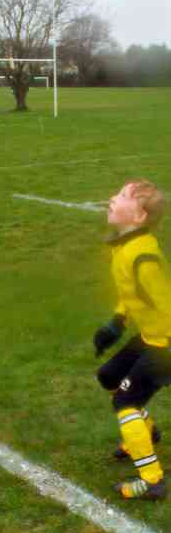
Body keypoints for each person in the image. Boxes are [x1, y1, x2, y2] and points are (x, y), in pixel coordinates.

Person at [94, 179, 171, 501]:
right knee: (109, 375)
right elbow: (131, 293)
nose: (112, 197)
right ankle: (146, 431)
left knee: (124, 402)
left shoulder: (144, 257)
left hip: (165, 343)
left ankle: (153, 480)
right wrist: (117, 320)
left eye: (122, 196)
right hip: (152, 336)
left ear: (139, 216)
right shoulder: (126, 246)